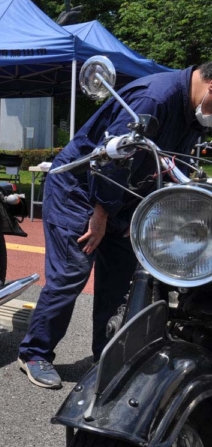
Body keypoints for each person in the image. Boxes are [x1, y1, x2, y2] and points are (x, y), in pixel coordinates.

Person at [17, 61, 211, 389]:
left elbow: (170, 166)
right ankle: (35, 352)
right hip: (79, 191)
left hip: (120, 200)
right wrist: (102, 215)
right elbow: (110, 159)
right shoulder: (156, 99)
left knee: (121, 282)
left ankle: (105, 356)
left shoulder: (192, 113)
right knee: (71, 273)